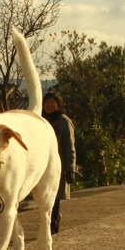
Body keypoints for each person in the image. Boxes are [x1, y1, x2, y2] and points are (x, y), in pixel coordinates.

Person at [42, 91, 76, 235]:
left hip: (57, 167)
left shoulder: (64, 122)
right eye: (47, 102)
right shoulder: (40, 121)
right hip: (42, 166)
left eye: (53, 102)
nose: (49, 105)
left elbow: (70, 146)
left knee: (54, 198)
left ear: (58, 104)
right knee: (43, 198)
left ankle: (52, 228)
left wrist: (70, 168)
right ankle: (50, 224)